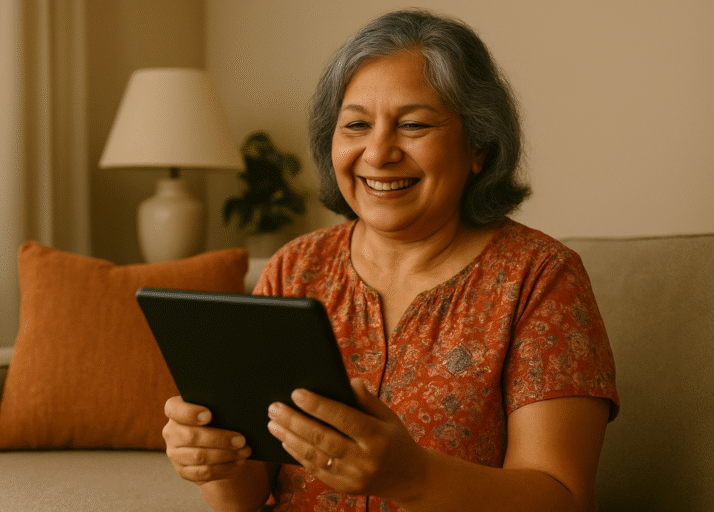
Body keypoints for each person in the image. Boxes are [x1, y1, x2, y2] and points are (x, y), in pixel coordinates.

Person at [162, 8, 619, 512]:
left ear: (479, 148)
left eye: (414, 125)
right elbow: (246, 495)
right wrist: (216, 460)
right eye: (356, 124)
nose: (378, 153)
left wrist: (414, 477)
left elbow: (565, 498)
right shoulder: (295, 267)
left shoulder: (540, 277)